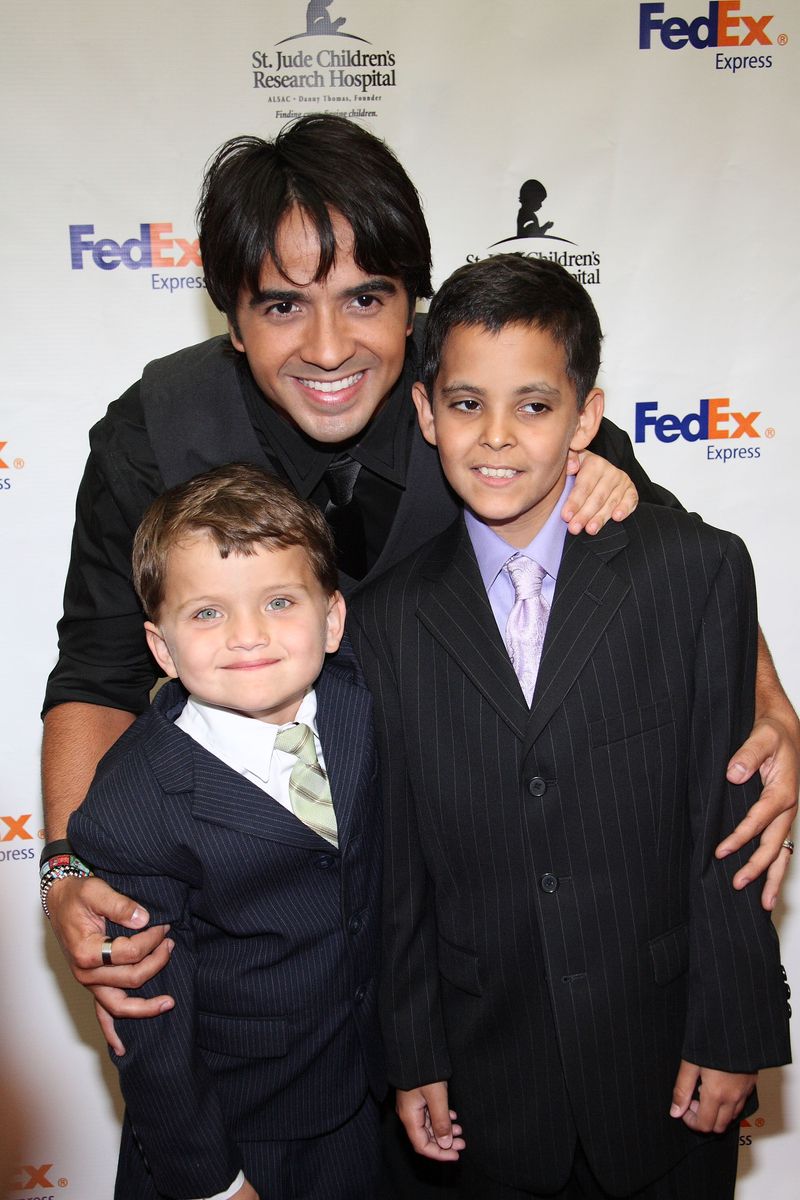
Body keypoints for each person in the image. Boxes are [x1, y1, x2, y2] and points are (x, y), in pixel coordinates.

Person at [40, 114, 795, 1048]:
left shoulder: (488, 385)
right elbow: (98, 674)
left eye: (365, 298)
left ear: (413, 303)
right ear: (232, 319)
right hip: (256, 947)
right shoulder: (154, 432)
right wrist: (67, 868)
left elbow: (677, 572)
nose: (328, 348)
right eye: (282, 307)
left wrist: (769, 709)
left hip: (478, 951)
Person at [348, 254, 792, 1199]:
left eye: (535, 406)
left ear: (588, 418)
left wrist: (733, 1029)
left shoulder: (695, 572)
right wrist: (414, 1049)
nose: (496, 436)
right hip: (484, 1080)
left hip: (667, 1061)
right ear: (425, 412)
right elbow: (399, 870)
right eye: (466, 404)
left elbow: (729, 830)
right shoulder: (386, 619)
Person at [66, 463, 386, 1200]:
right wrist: (212, 1182)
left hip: (370, 1110)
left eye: (279, 601)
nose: (248, 635)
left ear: (332, 619)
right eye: (207, 613)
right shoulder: (131, 805)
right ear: (161, 647)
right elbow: (149, 1023)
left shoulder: (365, 706)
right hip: (237, 1132)